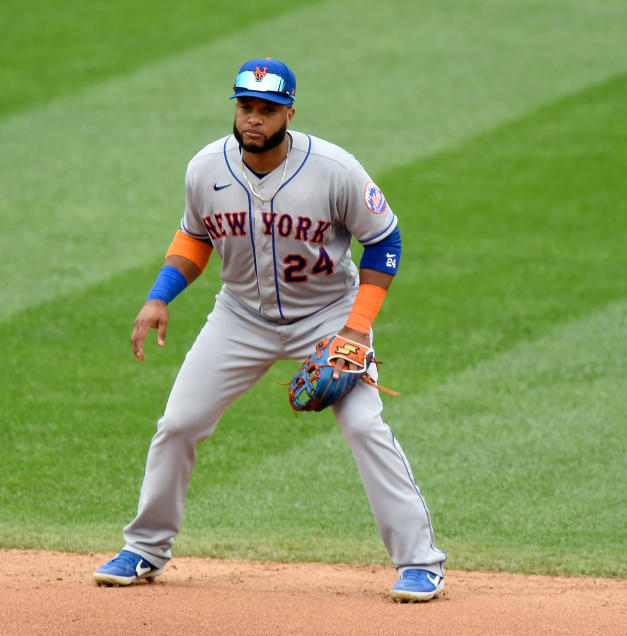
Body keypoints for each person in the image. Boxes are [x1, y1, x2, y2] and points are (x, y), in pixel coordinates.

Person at [93, 58, 447, 602]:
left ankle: (420, 562)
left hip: (330, 316)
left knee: (364, 427)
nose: (253, 119)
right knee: (179, 424)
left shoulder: (334, 168)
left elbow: (385, 242)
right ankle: (145, 548)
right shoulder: (204, 168)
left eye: (267, 109)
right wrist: (159, 297)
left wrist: (355, 330)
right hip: (240, 317)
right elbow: (195, 238)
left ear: (289, 113)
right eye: (245, 107)